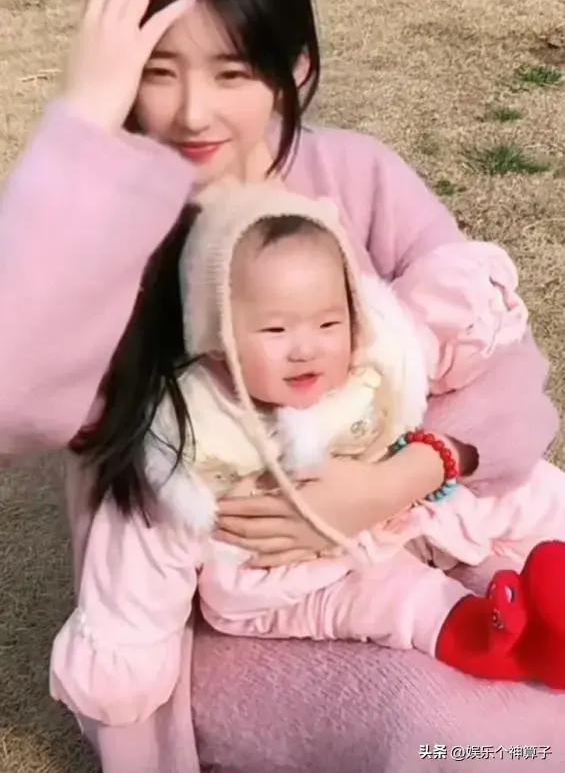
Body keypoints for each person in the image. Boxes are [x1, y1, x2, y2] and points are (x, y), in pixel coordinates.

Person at [0, 0, 560, 773]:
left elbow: (504, 371)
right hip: (229, 613)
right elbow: (11, 393)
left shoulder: (358, 176)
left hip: (416, 531)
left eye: (230, 72)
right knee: (458, 734)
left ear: (293, 72)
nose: (192, 113)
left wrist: (392, 481)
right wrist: (83, 121)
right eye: (156, 70)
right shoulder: (99, 220)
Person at [50, 178, 565, 709]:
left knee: (530, 490)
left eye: (328, 323)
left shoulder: (375, 351)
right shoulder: (195, 431)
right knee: (390, 598)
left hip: (391, 506)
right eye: (275, 331)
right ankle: (486, 638)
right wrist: (124, 656)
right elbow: (147, 546)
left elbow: (435, 338)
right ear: (215, 338)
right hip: (287, 573)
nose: (306, 349)